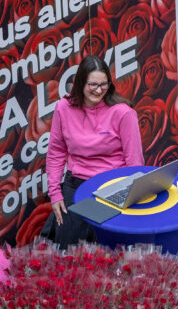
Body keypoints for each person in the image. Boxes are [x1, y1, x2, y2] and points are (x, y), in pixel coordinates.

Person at [44, 55, 144, 246]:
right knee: (69, 250)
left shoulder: (123, 113)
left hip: (113, 186)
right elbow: (56, 152)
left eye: (104, 85)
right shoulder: (63, 108)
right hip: (76, 185)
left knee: (108, 249)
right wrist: (55, 194)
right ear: (80, 82)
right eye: (93, 85)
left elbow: (134, 162)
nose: (98, 90)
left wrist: (131, 199)